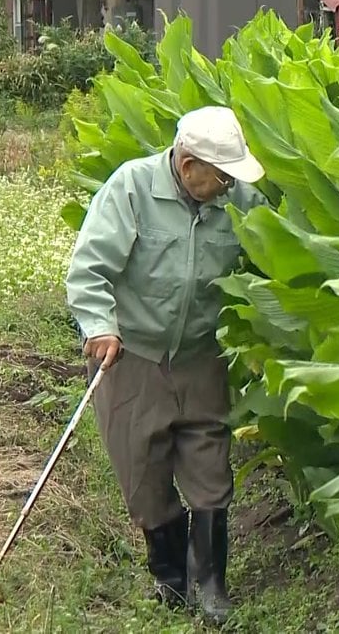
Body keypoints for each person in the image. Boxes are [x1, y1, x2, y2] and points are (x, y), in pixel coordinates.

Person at [65, 105, 268, 624]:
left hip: (200, 355)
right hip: (133, 355)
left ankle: (211, 585)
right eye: (219, 176)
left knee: (209, 464)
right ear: (186, 166)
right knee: (143, 474)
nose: (227, 185)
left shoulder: (238, 199)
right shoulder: (131, 188)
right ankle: (170, 581)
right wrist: (100, 325)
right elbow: (90, 269)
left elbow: (271, 259)